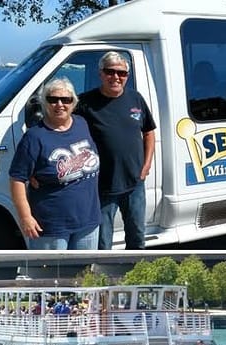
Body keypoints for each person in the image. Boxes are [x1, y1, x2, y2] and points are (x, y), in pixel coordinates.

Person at [76, 51, 157, 249]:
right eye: (110, 71)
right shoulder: (84, 103)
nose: (116, 77)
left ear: (127, 76)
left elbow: (149, 133)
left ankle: (135, 275)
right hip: (102, 185)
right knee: (103, 242)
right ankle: (106, 278)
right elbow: (62, 130)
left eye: (121, 73)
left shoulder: (136, 98)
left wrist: (146, 166)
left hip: (134, 182)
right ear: (101, 74)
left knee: (137, 237)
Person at [9, 77, 101, 250]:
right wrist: (26, 217)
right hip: (51, 227)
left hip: (88, 221)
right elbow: (17, 179)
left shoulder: (82, 124)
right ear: (45, 102)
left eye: (66, 100)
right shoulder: (34, 137)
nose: (60, 104)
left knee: (84, 274)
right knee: (51, 275)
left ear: (73, 103)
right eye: (53, 99)